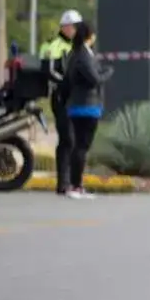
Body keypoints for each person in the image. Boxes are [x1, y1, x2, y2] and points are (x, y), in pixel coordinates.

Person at [62, 22, 112, 200]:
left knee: (78, 146)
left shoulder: (74, 53)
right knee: (82, 147)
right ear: (90, 36)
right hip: (86, 107)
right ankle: (76, 186)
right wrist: (108, 73)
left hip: (77, 105)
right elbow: (93, 79)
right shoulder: (83, 55)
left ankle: (74, 184)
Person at [40, 10, 81, 196]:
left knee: (77, 140)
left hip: (77, 97)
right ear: (65, 27)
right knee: (67, 139)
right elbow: (48, 72)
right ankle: (63, 183)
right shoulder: (52, 45)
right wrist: (67, 83)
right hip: (61, 97)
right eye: (73, 27)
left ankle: (74, 181)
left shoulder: (78, 46)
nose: (76, 30)